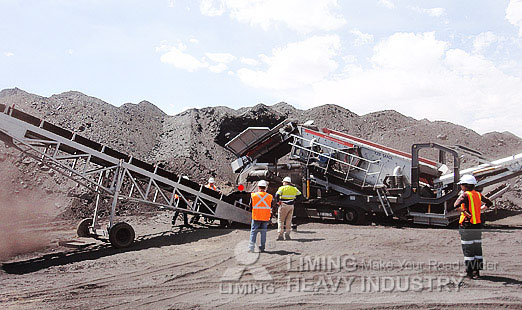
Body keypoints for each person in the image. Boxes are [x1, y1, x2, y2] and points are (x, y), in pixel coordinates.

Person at [453, 174, 493, 279]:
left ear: (465, 185)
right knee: (477, 248)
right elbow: (489, 202)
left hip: (467, 226)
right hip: (477, 225)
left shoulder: (465, 195)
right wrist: (481, 209)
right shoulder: (478, 195)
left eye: (461, 185)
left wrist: (465, 212)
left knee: (468, 248)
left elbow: (455, 205)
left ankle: (469, 273)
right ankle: (477, 272)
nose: (461, 186)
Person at [249, 180, 273, 253]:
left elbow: (250, 206)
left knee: (253, 232)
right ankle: (262, 247)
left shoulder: (253, 195)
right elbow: (271, 206)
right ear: (265, 187)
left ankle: (251, 248)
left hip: (256, 216)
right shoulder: (269, 196)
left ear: (258, 187)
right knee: (263, 232)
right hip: (265, 217)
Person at [275, 176, 302, 241]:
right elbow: (300, 195)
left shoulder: (282, 188)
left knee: (281, 220)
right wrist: (295, 200)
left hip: (283, 205)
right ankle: (287, 235)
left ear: (285, 182)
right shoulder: (294, 188)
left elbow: (277, 195)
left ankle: (280, 235)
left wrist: (277, 202)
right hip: (291, 206)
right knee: (288, 221)